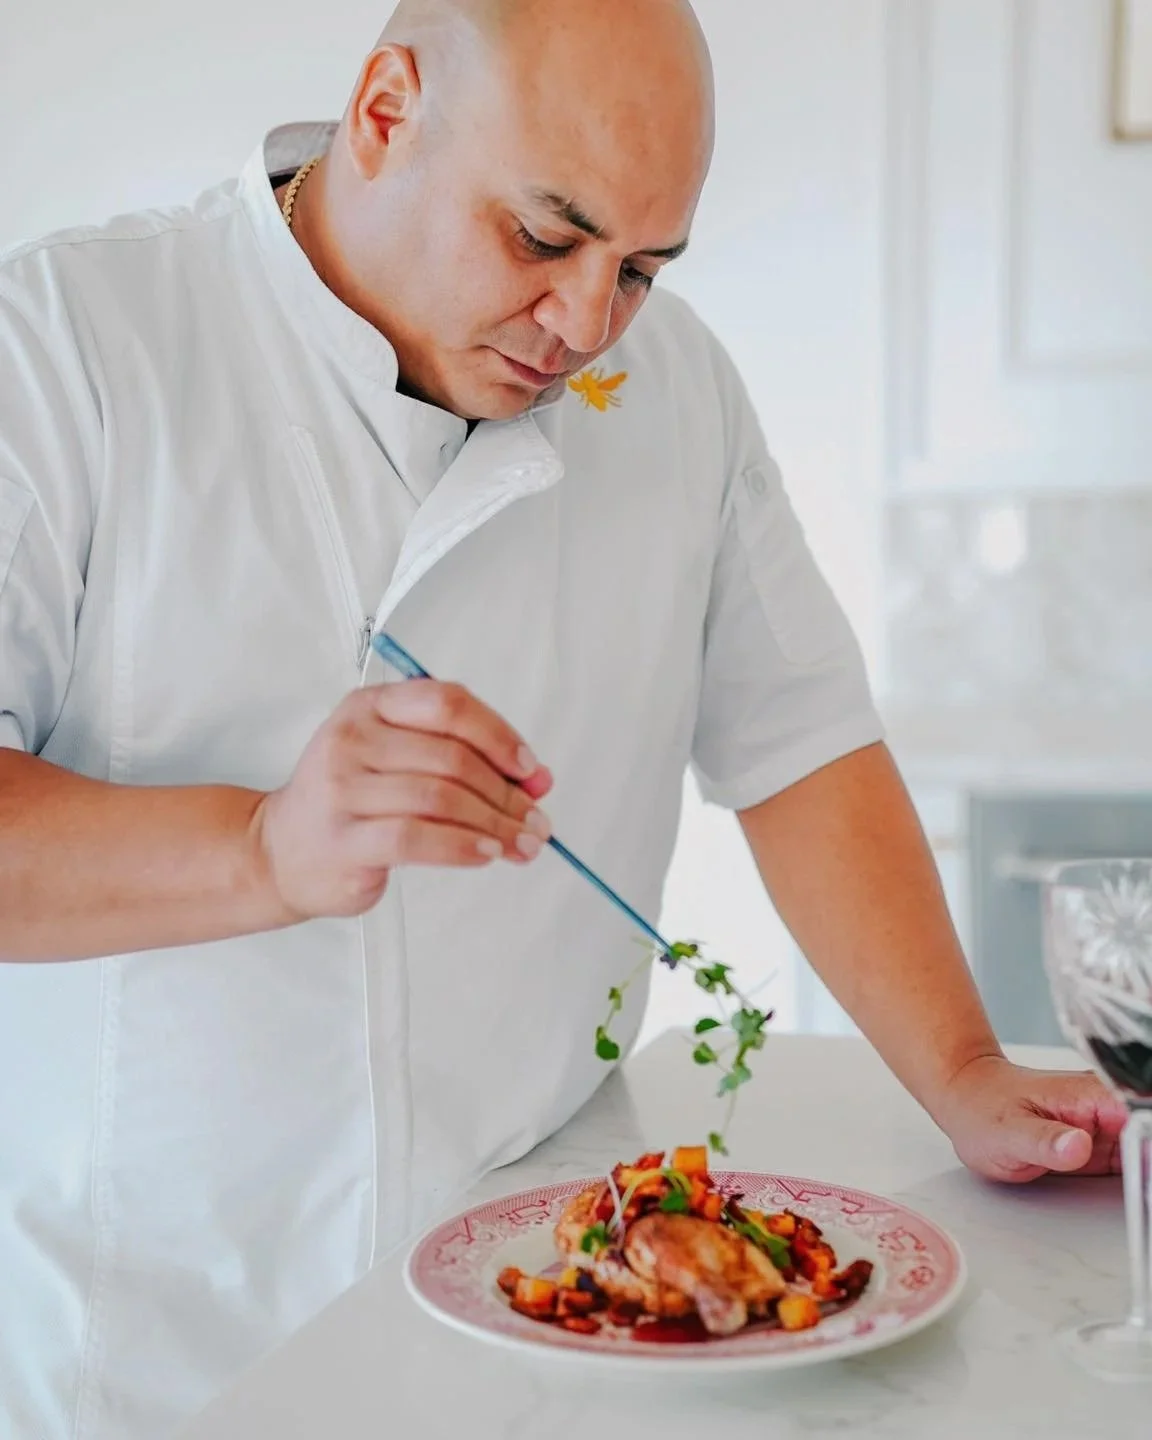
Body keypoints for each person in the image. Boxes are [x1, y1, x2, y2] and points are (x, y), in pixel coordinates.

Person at [0, 0, 1124, 1434]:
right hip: (154, 1347)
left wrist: (960, 1069)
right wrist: (263, 850)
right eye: (544, 238)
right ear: (386, 111)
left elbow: (803, 745)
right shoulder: (66, 345)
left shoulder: (675, 389)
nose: (588, 327)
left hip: (549, 1310)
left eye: (642, 269)